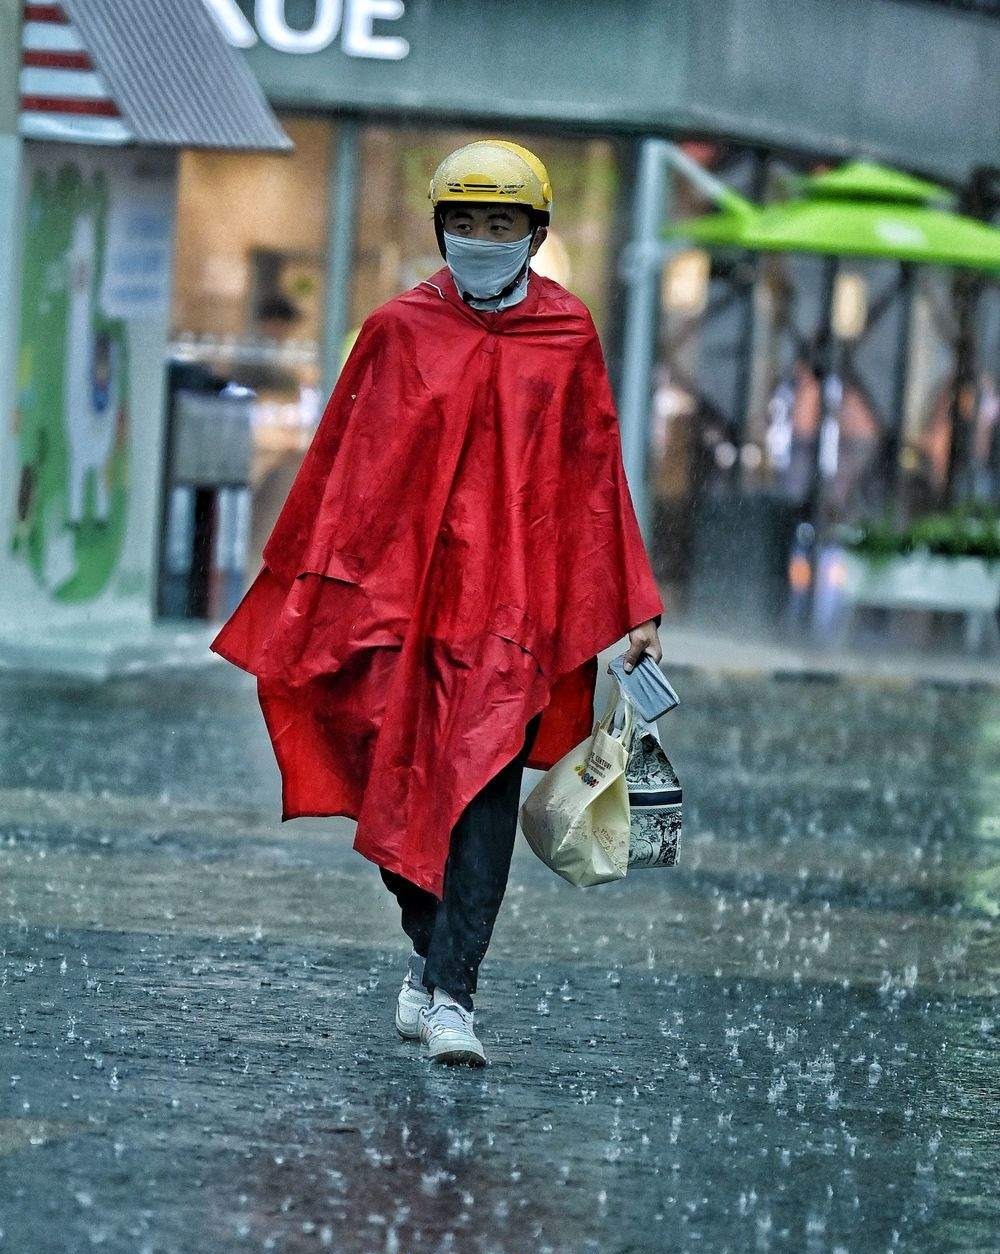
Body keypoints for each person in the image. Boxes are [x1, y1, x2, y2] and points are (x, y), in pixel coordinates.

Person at [209, 140, 664, 1067]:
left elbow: (593, 477)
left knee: (483, 790)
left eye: (502, 224)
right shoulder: (395, 330)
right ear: (439, 227)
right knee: (394, 784)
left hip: (510, 614)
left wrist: (631, 605)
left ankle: (455, 992)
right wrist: (311, 590)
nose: (482, 239)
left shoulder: (568, 335)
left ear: (535, 234)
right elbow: (341, 467)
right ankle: (429, 954)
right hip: (396, 608)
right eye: (466, 222)